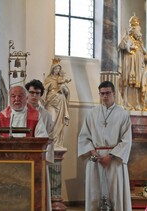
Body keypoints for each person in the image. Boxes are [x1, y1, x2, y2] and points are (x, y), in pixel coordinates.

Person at [78, 81, 132, 211]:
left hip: (114, 161)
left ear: (114, 94)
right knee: (94, 195)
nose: (105, 96)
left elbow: (126, 140)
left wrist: (110, 156)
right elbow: (84, 137)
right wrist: (93, 153)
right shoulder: (92, 113)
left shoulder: (123, 114)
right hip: (96, 160)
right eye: (102, 94)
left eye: (108, 93)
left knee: (115, 194)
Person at [25, 79, 54, 211]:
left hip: (39, 158)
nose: (34, 96)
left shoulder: (46, 115)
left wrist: (44, 157)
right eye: (31, 93)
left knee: (40, 189)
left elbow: (50, 137)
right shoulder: (19, 112)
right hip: (22, 157)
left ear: (41, 95)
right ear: (27, 94)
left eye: (37, 93)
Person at [119, 14, 147, 110]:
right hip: (129, 67)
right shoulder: (127, 38)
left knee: (137, 86)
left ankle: (138, 104)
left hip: (139, 68)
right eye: (138, 31)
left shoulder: (140, 42)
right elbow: (121, 46)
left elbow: (144, 53)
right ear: (133, 30)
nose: (140, 33)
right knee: (129, 86)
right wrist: (129, 47)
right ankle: (128, 104)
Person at [41, 58, 71, 149]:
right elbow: (45, 90)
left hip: (61, 101)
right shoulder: (48, 79)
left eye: (58, 69)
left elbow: (67, 92)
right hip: (51, 102)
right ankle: (50, 141)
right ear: (52, 69)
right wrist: (43, 97)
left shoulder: (60, 79)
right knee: (52, 120)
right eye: (56, 68)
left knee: (60, 122)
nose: (57, 70)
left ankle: (57, 142)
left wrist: (64, 89)